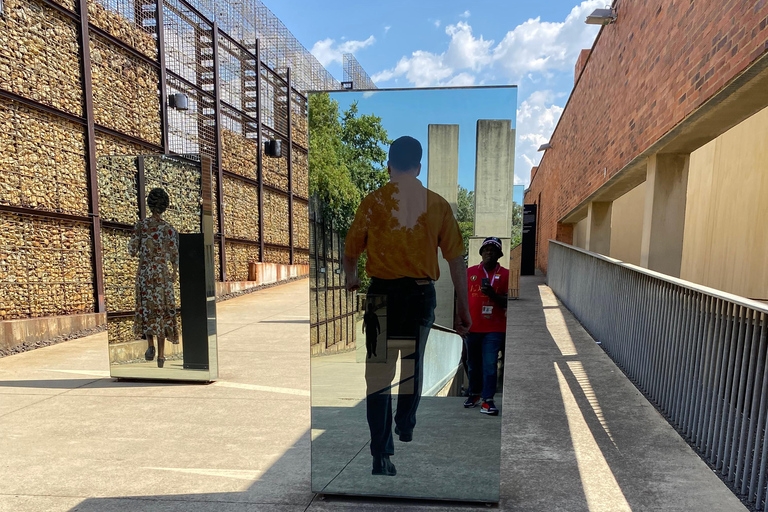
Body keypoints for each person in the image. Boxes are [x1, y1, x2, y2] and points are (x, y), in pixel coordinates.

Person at [343, 135, 472, 477]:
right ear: (418, 167)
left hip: (381, 295)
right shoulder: (437, 205)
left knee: (378, 377)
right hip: (418, 295)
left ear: (388, 165)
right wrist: (464, 308)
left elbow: (351, 249)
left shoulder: (373, 203)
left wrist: (352, 276)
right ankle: (406, 422)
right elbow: (456, 259)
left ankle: (381, 454)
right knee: (413, 366)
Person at [128, 187, 180, 369]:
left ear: (150, 204)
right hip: (162, 274)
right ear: (165, 206)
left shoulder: (141, 226)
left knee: (146, 309)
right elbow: (174, 254)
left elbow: (132, 251)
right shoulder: (169, 229)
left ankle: (149, 345)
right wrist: (174, 273)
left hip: (145, 273)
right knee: (162, 311)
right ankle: (162, 355)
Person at [464, 237, 508, 416]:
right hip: (472, 327)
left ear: (499, 254)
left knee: (490, 364)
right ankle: (474, 393)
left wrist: (493, 295)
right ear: (481, 253)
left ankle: (487, 400)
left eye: (493, 249)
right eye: (486, 249)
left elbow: (509, 302)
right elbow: (463, 298)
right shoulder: (469, 273)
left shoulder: (506, 274)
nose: (489, 251)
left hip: (495, 328)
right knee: (472, 363)